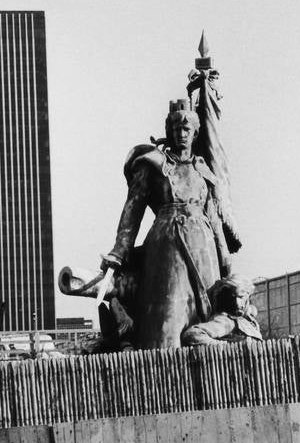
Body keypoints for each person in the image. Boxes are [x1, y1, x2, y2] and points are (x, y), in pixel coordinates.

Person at [97, 73, 240, 349]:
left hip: (204, 248)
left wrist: (224, 257)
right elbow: (133, 209)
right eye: (176, 129)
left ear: (196, 132)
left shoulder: (202, 170)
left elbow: (213, 216)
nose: (181, 134)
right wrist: (119, 250)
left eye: (187, 130)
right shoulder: (153, 164)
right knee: (167, 321)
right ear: (170, 131)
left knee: (206, 312)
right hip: (167, 247)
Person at [182, 274, 263, 346]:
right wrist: (226, 347)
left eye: (241, 297)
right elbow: (192, 334)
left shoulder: (248, 320)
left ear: (248, 295)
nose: (237, 303)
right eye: (232, 297)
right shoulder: (226, 321)